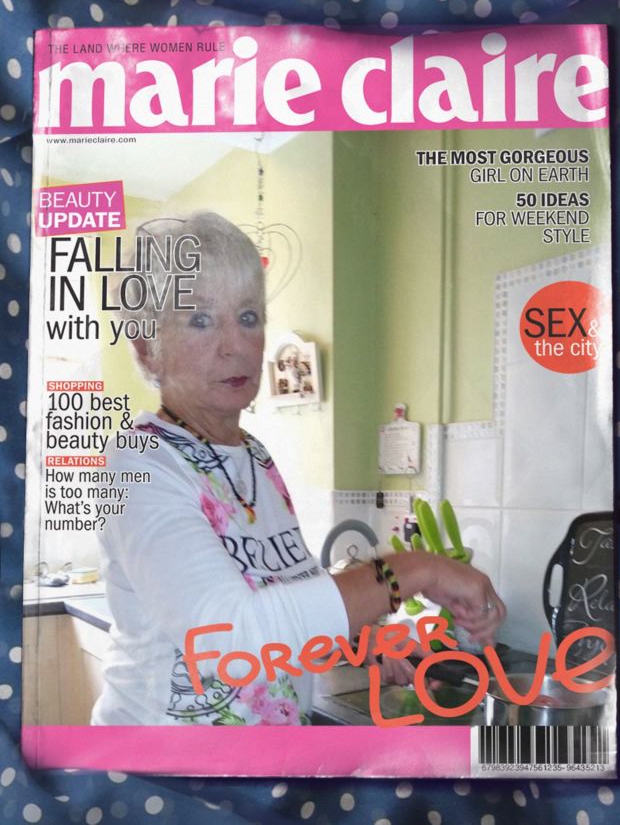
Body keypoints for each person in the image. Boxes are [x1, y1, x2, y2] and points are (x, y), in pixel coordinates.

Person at [91, 212, 505, 726]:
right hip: (161, 764)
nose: (235, 345)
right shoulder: (138, 464)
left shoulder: (253, 456)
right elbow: (228, 641)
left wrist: (361, 638)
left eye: (248, 317)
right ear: (147, 348)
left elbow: (284, 593)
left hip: (265, 757)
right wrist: (416, 569)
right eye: (200, 319)